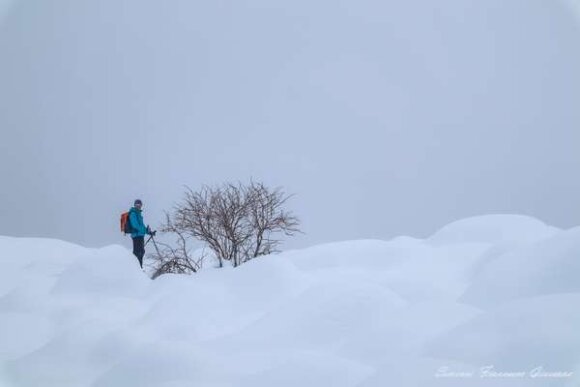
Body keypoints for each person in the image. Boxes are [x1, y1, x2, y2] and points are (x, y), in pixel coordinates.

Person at [129, 199, 155, 268]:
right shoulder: (133, 213)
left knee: (141, 252)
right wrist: (144, 230)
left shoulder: (138, 214)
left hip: (140, 236)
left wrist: (149, 232)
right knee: (138, 253)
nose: (138, 206)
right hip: (136, 236)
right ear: (134, 205)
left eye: (140, 205)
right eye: (137, 205)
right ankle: (137, 269)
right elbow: (135, 225)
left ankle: (140, 268)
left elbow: (142, 226)